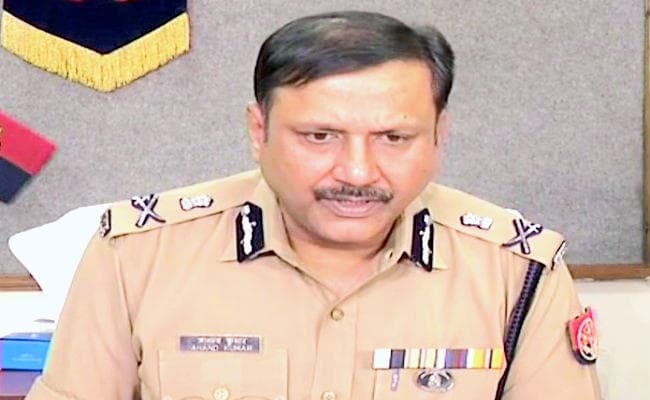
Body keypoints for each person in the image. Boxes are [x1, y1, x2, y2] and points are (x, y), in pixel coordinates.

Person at [26, 10, 601, 400]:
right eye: (320, 136)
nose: (357, 172)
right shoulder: (136, 255)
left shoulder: (518, 270)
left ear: (438, 136)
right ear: (259, 130)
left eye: (394, 138)